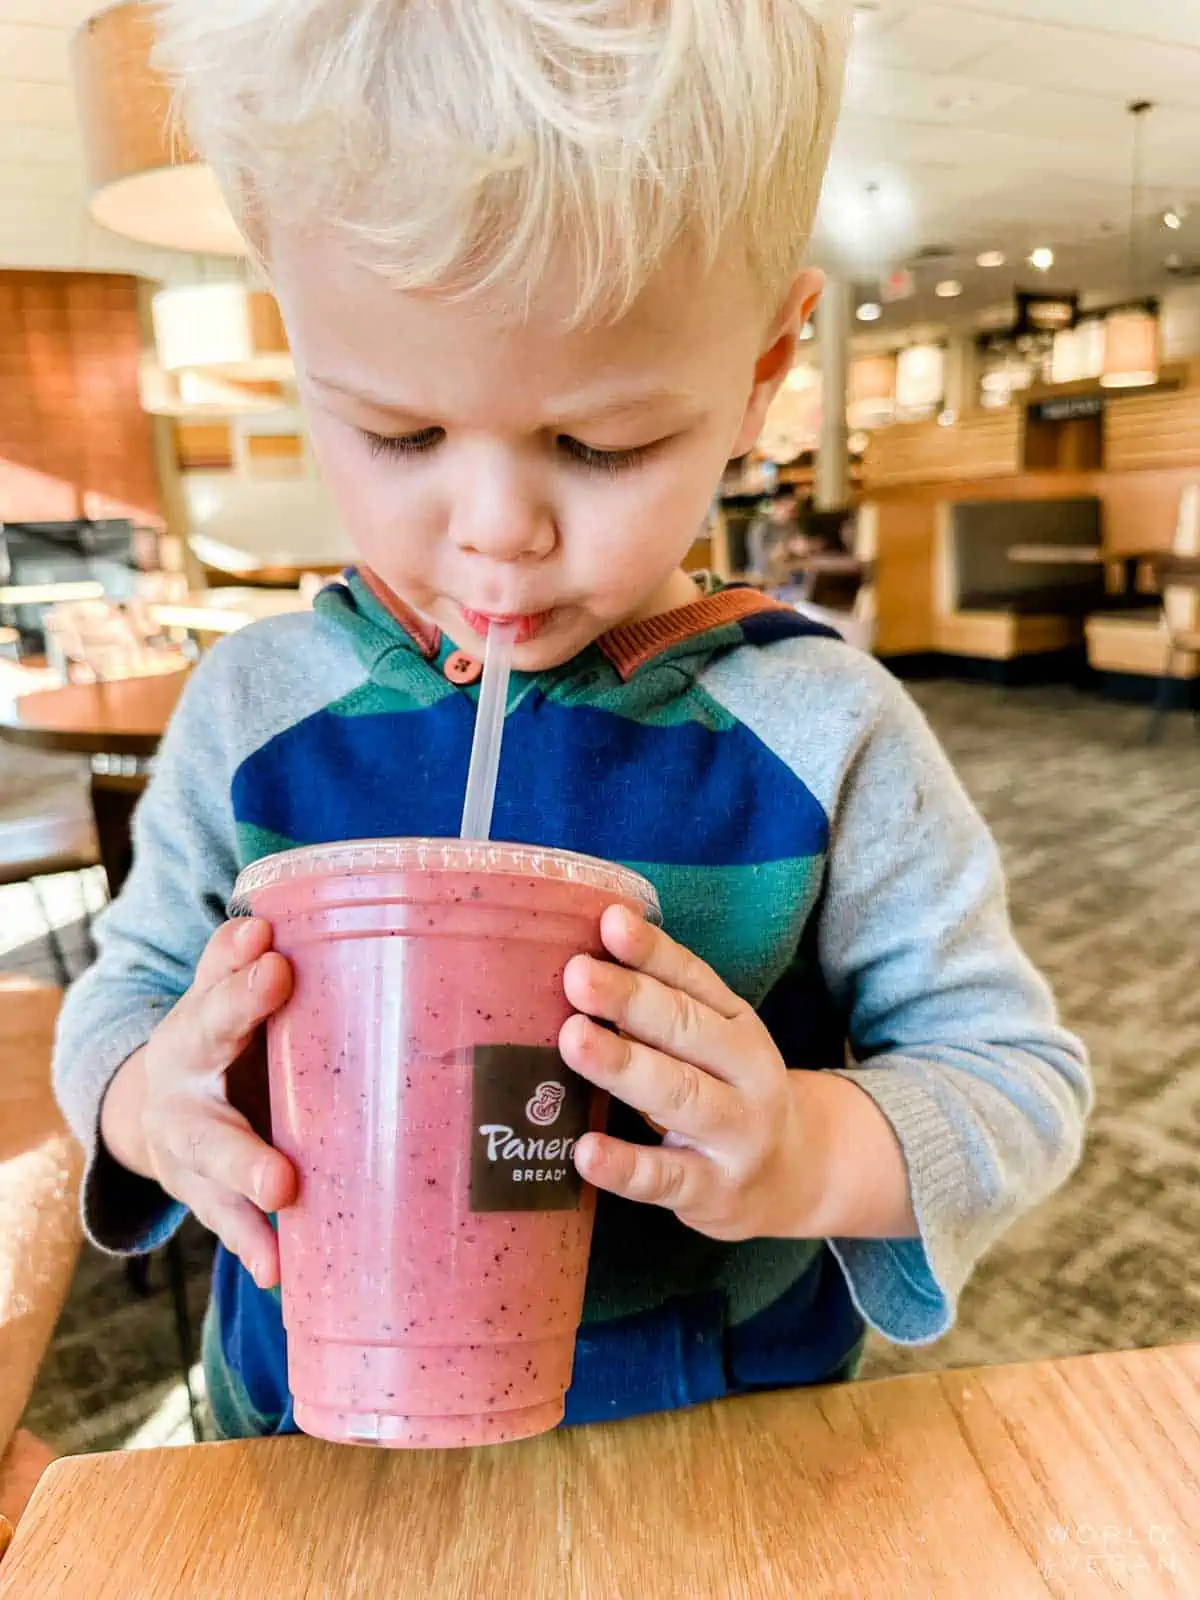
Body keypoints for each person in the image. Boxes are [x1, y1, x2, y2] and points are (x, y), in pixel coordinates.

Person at [53, 0, 1090, 1437]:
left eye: (601, 444)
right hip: (301, 1429)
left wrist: (807, 1149)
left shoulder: (823, 730)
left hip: (695, 1451)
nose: (495, 532)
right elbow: (123, 997)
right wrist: (146, 1100)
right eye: (400, 432)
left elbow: (1015, 1082)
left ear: (763, 373)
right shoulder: (258, 709)